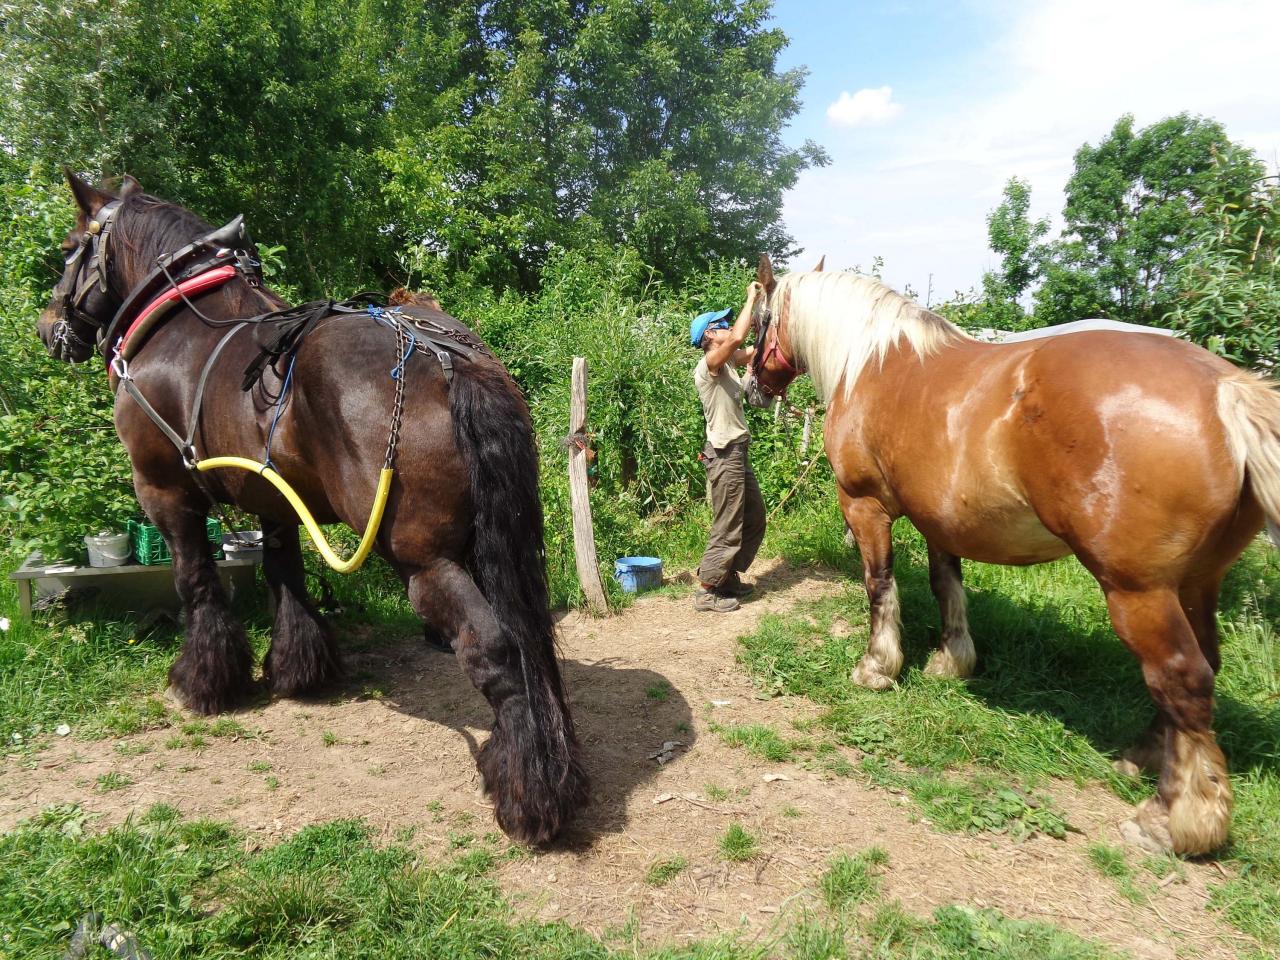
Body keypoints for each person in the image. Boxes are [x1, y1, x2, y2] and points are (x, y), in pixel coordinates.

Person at [689, 281, 767, 612]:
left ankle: (727, 576)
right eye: (721, 324)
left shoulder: (730, 364)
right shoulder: (710, 364)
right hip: (723, 455)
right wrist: (750, 298)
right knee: (728, 524)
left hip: (738, 451)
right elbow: (737, 338)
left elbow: (755, 349)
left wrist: (765, 318)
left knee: (754, 517)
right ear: (709, 335)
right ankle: (707, 589)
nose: (727, 328)